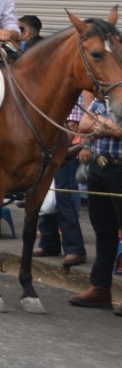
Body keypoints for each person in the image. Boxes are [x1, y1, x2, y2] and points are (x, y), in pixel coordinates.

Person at [67, 97, 122, 315]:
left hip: (120, 168)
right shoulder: (105, 96)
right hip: (99, 168)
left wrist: (100, 123)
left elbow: (95, 125)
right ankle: (100, 288)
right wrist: (111, 127)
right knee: (103, 231)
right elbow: (84, 125)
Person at [35, 99, 87, 266]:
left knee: (65, 198)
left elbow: (73, 125)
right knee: (46, 196)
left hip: (65, 149)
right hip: (49, 146)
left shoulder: (73, 90)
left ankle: (74, 249)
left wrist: (59, 150)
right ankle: (48, 242)